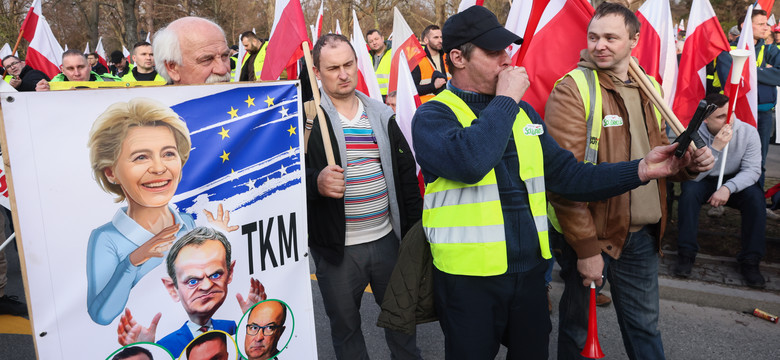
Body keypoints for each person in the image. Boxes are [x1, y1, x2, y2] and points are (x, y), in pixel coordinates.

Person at [412, 5, 711, 359]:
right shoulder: (433, 115)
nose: (507, 60)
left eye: (507, 49)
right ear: (458, 57)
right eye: (494, 52)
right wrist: (508, 97)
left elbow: (570, 176)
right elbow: (471, 161)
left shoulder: (523, 113)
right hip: (469, 282)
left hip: (530, 276)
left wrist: (641, 170)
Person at [544, 3, 713, 359]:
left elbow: (659, 163)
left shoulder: (649, 85)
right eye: (593, 37)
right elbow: (562, 181)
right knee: (577, 333)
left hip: (642, 237)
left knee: (645, 331)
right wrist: (587, 250)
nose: (599, 45)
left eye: (610, 37)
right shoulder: (572, 88)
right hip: (591, 236)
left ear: (634, 40)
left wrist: (691, 166)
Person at [306, 33, 422, 360]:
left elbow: (405, 177)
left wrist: (413, 238)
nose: (343, 74)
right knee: (346, 330)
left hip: (388, 241)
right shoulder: (307, 120)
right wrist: (317, 182)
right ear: (317, 72)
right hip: (337, 250)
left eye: (348, 64)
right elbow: (286, 184)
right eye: (332, 68)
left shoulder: (380, 113)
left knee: (402, 325)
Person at [86, 98, 236, 325]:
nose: (159, 168)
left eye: (168, 154)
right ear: (111, 172)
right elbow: (101, 315)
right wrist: (134, 260)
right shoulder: (106, 238)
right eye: (141, 157)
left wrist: (219, 240)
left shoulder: (187, 222)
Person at [116, 227, 265, 357]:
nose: (206, 286)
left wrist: (255, 325)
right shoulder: (165, 347)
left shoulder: (232, 329)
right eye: (192, 281)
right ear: (172, 288)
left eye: (215, 275)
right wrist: (145, 352)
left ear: (230, 272)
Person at [674, 93, 766, 288]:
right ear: (706, 119)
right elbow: (691, 175)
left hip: (734, 179)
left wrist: (728, 188)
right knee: (689, 193)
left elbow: (753, 170)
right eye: (720, 117)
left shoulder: (748, 132)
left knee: (755, 199)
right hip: (703, 176)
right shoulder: (694, 133)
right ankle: (686, 253)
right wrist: (715, 148)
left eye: (730, 114)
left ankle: (750, 260)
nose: (729, 121)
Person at [716, 8, 780, 192]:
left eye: (766, 23)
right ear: (745, 26)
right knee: (730, 156)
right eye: (761, 24)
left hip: (764, 113)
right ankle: (723, 196)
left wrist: (751, 71)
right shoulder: (728, 50)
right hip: (736, 113)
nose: (766, 27)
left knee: (759, 159)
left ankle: (756, 200)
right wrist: (765, 71)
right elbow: (732, 78)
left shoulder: (770, 49)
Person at [153, 17, 231, 85]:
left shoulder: (241, 100)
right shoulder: (150, 102)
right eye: (207, 60)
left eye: (224, 56)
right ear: (172, 68)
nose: (222, 70)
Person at [35, 50, 121, 90]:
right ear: (63, 70)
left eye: (81, 67)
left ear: (89, 66)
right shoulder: (49, 88)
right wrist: (40, 96)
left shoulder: (112, 83)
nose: (77, 73)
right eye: (70, 68)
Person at [411, 25, 449, 103]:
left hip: (450, 103)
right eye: (436, 37)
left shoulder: (448, 57)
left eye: (441, 37)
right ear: (426, 40)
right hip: (429, 107)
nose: (440, 40)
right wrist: (433, 86)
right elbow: (411, 89)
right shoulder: (417, 61)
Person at [367, 29, 392, 98]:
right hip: (373, 96)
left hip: (390, 95)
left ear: (382, 38)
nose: (374, 42)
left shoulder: (393, 53)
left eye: (376, 39)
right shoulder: (367, 57)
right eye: (371, 41)